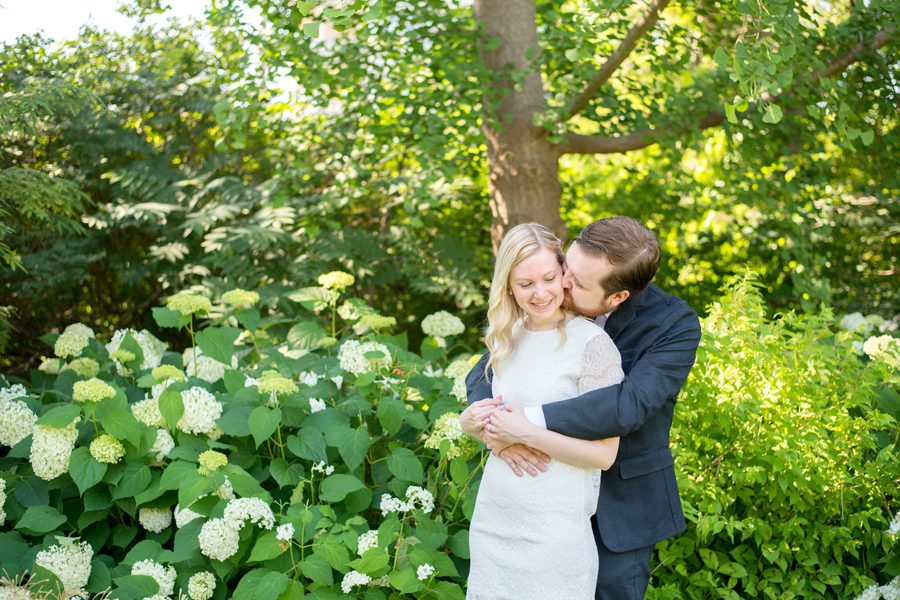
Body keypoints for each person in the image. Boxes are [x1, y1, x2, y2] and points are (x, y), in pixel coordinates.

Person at [463, 216, 702, 600]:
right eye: (566, 268)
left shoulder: (674, 325)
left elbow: (628, 407)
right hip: (535, 501)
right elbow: (484, 374)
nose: (562, 283)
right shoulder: (548, 300)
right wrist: (492, 427)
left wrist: (524, 424)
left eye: (577, 282)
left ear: (618, 296)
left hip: (621, 502)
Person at [462, 222, 625, 600]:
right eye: (525, 284)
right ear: (508, 286)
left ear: (564, 273)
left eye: (549, 278)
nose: (539, 293)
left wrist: (524, 434)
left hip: (555, 533)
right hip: (495, 521)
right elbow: (494, 420)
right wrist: (473, 425)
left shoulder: (593, 345)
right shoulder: (505, 337)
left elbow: (604, 455)